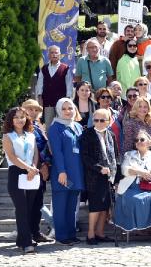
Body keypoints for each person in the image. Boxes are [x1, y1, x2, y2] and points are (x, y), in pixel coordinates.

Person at [114, 130, 151, 243]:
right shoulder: (129, 155)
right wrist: (141, 172)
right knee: (132, 199)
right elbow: (125, 170)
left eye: (142, 139)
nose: (139, 142)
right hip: (131, 187)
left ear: (149, 142)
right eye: (136, 140)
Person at [2, 107, 40, 254]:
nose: (20, 120)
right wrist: (28, 168)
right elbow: (12, 157)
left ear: (27, 119)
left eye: (22, 117)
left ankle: (20, 239)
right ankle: (26, 242)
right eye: (16, 117)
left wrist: (34, 168)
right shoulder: (8, 136)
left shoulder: (31, 135)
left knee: (30, 208)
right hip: (16, 172)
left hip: (32, 172)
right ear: (11, 120)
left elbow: (35, 154)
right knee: (22, 209)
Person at [47, 98, 85, 246]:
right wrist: (62, 172)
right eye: (64, 109)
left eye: (70, 108)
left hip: (76, 172)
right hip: (62, 172)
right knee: (61, 205)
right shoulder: (55, 127)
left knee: (71, 206)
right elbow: (57, 152)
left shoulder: (77, 126)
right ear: (58, 110)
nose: (68, 111)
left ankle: (71, 233)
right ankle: (62, 236)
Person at [80, 109, 118, 245]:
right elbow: (85, 157)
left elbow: (115, 156)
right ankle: (90, 234)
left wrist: (114, 175)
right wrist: (99, 168)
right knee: (95, 206)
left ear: (108, 121)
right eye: (96, 120)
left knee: (105, 206)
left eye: (102, 120)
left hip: (109, 176)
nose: (99, 123)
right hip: (94, 176)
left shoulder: (111, 135)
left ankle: (100, 233)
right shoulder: (87, 134)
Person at [21, 100, 54, 242]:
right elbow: (28, 150)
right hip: (29, 169)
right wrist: (41, 165)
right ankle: (26, 234)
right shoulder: (23, 127)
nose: (33, 112)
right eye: (30, 109)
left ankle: (35, 232)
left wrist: (46, 164)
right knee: (29, 204)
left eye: (36, 110)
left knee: (38, 203)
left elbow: (45, 147)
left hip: (41, 169)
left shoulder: (38, 126)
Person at [36, 45, 73, 125]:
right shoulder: (44, 68)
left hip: (62, 103)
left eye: (56, 53)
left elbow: (69, 85)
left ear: (60, 55)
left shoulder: (65, 68)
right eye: (52, 53)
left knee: (63, 123)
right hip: (48, 102)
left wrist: (68, 99)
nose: (54, 55)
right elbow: (40, 84)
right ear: (48, 55)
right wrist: (39, 97)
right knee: (49, 125)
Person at [95, 88, 122, 155]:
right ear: (98, 99)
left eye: (108, 97)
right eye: (103, 97)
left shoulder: (117, 114)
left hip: (119, 151)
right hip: (103, 153)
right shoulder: (95, 116)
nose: (106, 99)